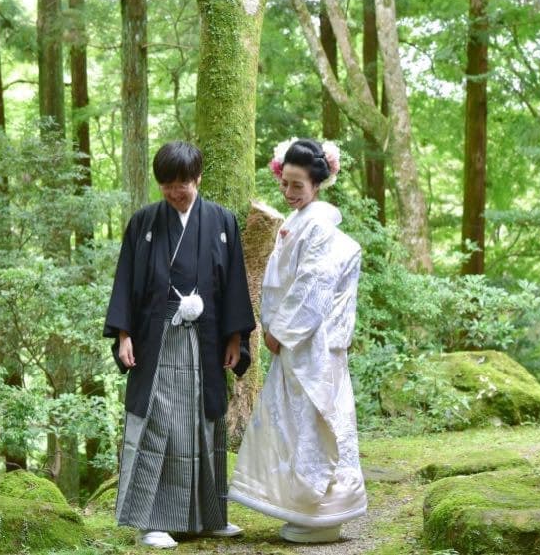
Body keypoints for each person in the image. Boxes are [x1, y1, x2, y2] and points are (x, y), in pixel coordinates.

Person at [104, 141, 256, 549]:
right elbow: (127, 282)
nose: (175, 191)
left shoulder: (222, 221)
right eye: (167, 184)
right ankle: (151, 521)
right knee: (158, 424)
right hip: (158, 339)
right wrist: (123, 335)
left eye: (183, 183)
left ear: (198, 178)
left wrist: (236, 339)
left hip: (206, 340)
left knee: (204, 426)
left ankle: (209, 517)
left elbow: (235, 285)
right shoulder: (143, 223)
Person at [228, 138, 367, 544]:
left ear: (317, 184)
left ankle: (320, 513)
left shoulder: (319, 225)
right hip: (298, 344)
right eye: (285, 184)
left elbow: (313, 287)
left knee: (313, 424)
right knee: (295, 425)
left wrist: (280, 330)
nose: (289, 193)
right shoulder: (302, 222)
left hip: (312, 346)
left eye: (297, 186)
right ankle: (307, 511)